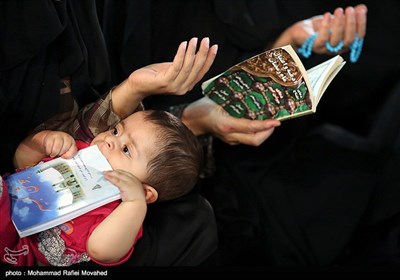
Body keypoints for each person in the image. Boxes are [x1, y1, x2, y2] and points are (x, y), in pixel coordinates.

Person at [97, 0, 400, 269]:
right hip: (191, 192)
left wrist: (288, 42)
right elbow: (117, 133)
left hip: (270, 154)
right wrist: (194, 121)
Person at [1, 84, 204, 267]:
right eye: (115, 131)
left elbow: (101, 251)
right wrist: (44, 141)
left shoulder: (120, 217)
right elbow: (21, 162)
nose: (109, 140)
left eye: (126, 150)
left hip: (17, 250)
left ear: (144, 192)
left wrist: (134, 203)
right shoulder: (76, 151)